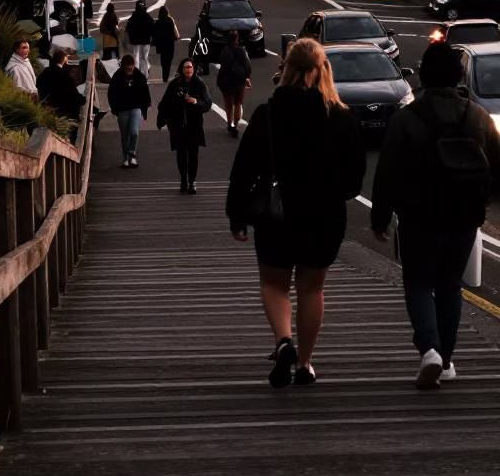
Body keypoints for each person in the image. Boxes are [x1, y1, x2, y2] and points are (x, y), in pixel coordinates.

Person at [226, 38, 365, 388]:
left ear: (285, 68)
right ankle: (305, 363)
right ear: (323, 70)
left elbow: (244, 169)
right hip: (323, 218)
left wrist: (236, 214)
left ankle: (283, 341)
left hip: (277, 216)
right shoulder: (341, 117)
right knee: (311, 290)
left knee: (274, 284)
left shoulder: (268, 114)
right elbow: (354, 178)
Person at [372, 41, 500, 390]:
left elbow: (388, 171)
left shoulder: (407, 118)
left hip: (419, 217)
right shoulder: (477, 116)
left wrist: (380, 217)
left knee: (417, 283)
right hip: (464, 216)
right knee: (449, 286)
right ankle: (445, 360)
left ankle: (428, 347)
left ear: (425, 75)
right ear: (458, 74)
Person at [158, 58, 212, 194]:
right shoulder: (175, 84)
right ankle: (183, 180)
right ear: (181, 70)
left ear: (194, 69)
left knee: (193, 155)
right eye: (185, 67)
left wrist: (195, 102)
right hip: (178, 125)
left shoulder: (200, 84)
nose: (188, 70)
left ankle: (192, 182)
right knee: (181, 155)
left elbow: (207, 104)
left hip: (194, 125)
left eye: (190, 67)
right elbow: (163, 103)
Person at [107, 52, 151, 168]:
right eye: (128, 67)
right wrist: (114, 109)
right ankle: (126, 157)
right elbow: (111, 93)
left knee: (134, 132)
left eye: (131, 66)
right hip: (122, 109)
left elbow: (145, 93)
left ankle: (132, 155)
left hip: (136, 108)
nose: (130, 69)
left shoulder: (139, 76)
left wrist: (145, 109)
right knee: (124, 135)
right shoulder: (117, 77)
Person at [37, 48, 85, 142]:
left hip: (48, 109)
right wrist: (82, 100)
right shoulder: (64, 75)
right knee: (69, 137)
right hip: (65, 110)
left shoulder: (44, 73)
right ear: (64, 59)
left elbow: (38, 86)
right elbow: (72, 93)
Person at [217, 31, 252, 137]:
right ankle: (236, 125)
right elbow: (247, 65)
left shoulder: (225, 51)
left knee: (228, 104)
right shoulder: (242, 50)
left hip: (226, 81)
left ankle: (229, 124)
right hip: (239, 80)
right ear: (237, 39)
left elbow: (222, 63)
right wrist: (247, 77)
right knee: (238, 103)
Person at [126, 0, 155, 79]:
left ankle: (136, 74)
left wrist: (131, 37)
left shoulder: (133, 17)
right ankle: (145, 74)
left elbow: (128, 28)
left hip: (135, 41)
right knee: (144, 57)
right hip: (146, 41)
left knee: (136, 57)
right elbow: (153, 28)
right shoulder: (147, 17)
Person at [152, 6, 180, 82]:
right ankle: (166, 76)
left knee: (163, 60)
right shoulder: (171, 20)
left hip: (161, 45)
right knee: (169, 61)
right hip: (170, 44)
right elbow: (176, 33)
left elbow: (154, 34)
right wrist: (176, 37)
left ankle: (164, 76)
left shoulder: (158, 22)